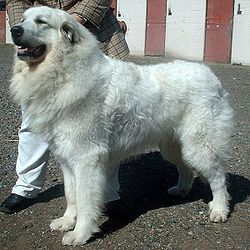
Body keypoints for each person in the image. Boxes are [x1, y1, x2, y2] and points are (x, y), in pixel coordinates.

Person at [0, 0, 129, 214]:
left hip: (94, 35)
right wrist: (23, 28)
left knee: (103, 125)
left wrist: (71, 22)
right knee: (32, 124)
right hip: (40, 38)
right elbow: (16, 1)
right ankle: (26, 186)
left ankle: (106, 193)